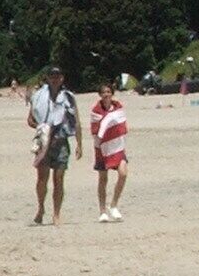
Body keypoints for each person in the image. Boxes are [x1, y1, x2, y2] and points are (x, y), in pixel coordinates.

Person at [26, 66, 82, 226]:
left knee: (59, 179)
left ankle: (56, 213)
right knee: (42, 178)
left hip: (61, 141)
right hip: (44, 142)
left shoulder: (68, 97)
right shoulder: (38, 96)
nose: (55, 79)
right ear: (48, 78)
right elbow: (30, 119)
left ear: (62, 78)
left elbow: (76, 121)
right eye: (52, 76)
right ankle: (41, 208)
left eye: (57, 76)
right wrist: (42, 127)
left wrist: (79, 143)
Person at [91, 84, 129, 220]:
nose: (106, 94)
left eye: (108, 92)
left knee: (123, 174)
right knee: (103, 179)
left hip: (117, 146)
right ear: (100, 95)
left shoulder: (118, 107)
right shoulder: (96, 111)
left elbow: (122, 124)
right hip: (102, 148)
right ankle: (102, 211)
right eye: (104, 92)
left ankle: (113, 205)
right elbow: (95, 130)